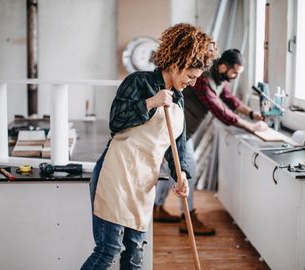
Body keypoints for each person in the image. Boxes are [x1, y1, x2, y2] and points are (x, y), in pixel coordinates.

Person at [80, 23, 217, 270]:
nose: (192, 83)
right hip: (117, 174)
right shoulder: (138, 82)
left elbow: (177, 144)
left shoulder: (179, 98)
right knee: (108, 250)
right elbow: (116, 121)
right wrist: (151, 102)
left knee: (134, 255)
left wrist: (181, 175)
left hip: (144, 182)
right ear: (177, 65)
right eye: (190, 76)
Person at [153, 49, 268, 235]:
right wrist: (250, 127)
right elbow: (219, 109)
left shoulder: (219, 79)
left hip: (182, 133)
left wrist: (253, 114)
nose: (235, 76)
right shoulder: (203, 79)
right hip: (176, 132)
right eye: (234, 72)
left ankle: (157, 209)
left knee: (171, 170)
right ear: (223, 66)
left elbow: (230, 100)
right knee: (188, 172)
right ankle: (187, 219)